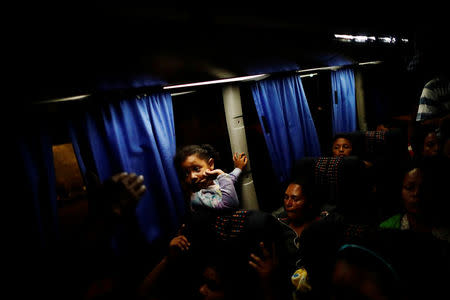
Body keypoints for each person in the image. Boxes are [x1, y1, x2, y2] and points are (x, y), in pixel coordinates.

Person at [174, 144, 248, 212]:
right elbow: (229, 205)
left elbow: (229, 179)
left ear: (210, 164)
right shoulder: (198, 197)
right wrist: (220, 174)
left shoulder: (214, 181)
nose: (192, 176)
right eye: (186, 174)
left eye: (196, 169)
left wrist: (238, 168)